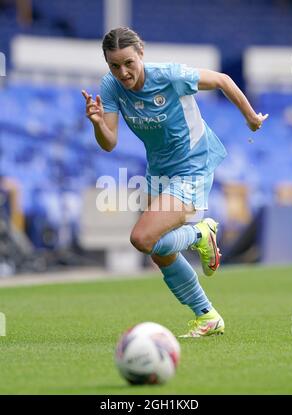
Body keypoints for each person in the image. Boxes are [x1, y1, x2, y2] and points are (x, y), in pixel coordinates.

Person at [82, 27, 268, 337]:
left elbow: (222, 79)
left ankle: (198, 233)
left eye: (129, 62)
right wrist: (98, 124)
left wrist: (250, 117)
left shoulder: (168, 75)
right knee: (158, 250)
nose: (123, 72)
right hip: (159, 170)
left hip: (193, 163)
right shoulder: (111, 87)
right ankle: (207, 315)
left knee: (141, 239)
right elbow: (109, 143)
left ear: (141, 53)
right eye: (114, 65)